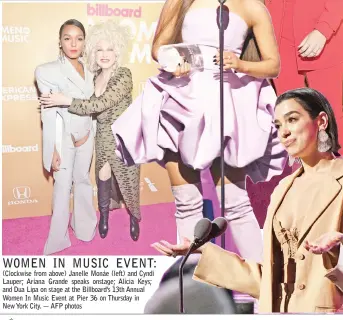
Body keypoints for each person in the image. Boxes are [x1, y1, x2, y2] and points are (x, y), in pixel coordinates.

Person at [152, 88, 343, 313]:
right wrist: (203, 253)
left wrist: (336, 254)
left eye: (292, 120)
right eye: (277, 125)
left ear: (321, 121)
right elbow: (266, 281)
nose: (283, 132)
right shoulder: (283, 190)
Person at [111, 0, 287, 261]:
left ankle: (264, 287)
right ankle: (194, 291)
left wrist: (240, 64)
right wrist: (174, 61)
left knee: (236, 205)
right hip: (181, 96)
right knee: (186, 203)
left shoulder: (252, 7)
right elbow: (159, 47)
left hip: (227, 102)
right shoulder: (180, 1)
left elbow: (273, 65)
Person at [39, 20, 141, 241]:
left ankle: (134, 218)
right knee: (102, 177)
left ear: (118, 51)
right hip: (103, 135)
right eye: (100, 49)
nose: (105, 54)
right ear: (93, 51)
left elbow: (97, 105)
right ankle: (103, 218)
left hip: (124, 138)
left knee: (129, 182)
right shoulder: (93, 77)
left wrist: (65, 100)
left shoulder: (124, 75)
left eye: (110, 49)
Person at [266, 0, 343, 166]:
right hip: (279, 37)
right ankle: (304, 177)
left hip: (322, 37)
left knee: (330, 114)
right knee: (290, 116)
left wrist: (323, 30)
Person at [35, 19, 97, 255]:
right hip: (63, 137)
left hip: (87, 135)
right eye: (67, 38)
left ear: (84, 42)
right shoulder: (46, 70)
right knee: (62, 188)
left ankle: (84, 228)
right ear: (60, 42)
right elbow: (50, 114)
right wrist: (51, 149)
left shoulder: (91, 71)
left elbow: (94, 106)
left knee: (83, 181)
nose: (73, 43)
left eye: (79, 38)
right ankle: (57, 240)